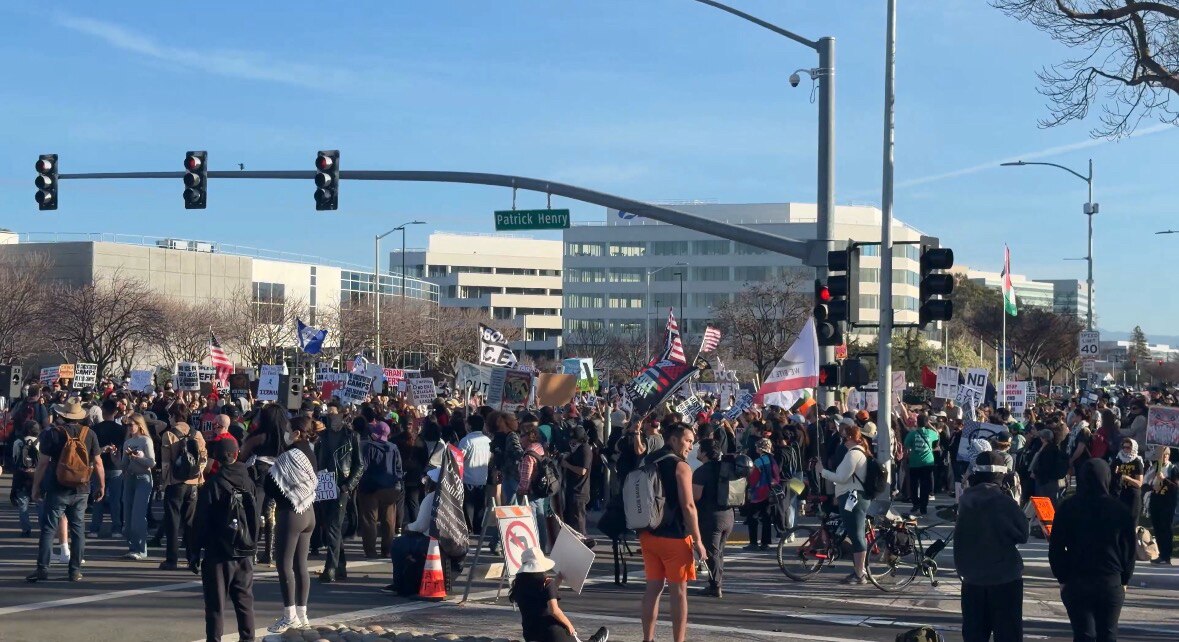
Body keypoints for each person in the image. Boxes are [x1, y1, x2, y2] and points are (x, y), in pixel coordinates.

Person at [1049, 459, 1137, 642]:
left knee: (1083, 634)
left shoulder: (1068, 507)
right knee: (1108, 633)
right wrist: (1125, 578)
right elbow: (1129, 550)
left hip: (1077, 578)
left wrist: (1062, 577)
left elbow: (1056, 546)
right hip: (1110, 578)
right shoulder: (1119, 510)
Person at [639, 423, 706, 642]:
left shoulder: (649, 460)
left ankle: (647, 639)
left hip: (648, 533)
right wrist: (697, 540)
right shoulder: (681, 467)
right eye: (687, 441)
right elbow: (688, 506)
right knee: (678, 593)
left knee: (653, 589)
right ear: (674, 440)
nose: (690, 446)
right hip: (675, 536)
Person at [27, 399, 104, 583]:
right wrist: (101, 485)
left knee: (48, 528)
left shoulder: (52, 434)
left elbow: (43, 463)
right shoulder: (90, 434)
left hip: (57, 485)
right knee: (78, 529)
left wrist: (36, 486)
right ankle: (75, 570)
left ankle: (42, 568)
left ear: (61, 415)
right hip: (82, 486)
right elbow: (98, 462)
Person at [955, 451, 1029, 642]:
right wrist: (1015, 498)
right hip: (1004, 578)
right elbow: (1022, 534)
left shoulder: (965, 501)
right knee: (1008, 634)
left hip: (972, 579)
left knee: (974, 634)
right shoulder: (1004, 502)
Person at [193, 438, 258, 642]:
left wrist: (194, 551)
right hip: (244, 549)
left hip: (218, 552)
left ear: (218, 459)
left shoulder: (214, 484)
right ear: (237, 454)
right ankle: (248, 638)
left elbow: (200, 521)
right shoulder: (248, 481)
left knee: (215, 605)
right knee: (245, 601)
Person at [265, 416, 320, 634]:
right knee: (301, 565)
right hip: (309, 512)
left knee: (284, 564)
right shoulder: (311, 453)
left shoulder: (290, 456)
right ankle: (303, 614)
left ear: (297, 432)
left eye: (289, 430)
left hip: (291, 514)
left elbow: (271, 486)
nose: (286, 433)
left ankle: (289, 616)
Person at [509, 547, 609, 642]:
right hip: (551, 633)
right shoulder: (546, 583)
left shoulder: (518, 585)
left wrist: (557, 581)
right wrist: (570, 627)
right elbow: (554, 611)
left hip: (530, 633)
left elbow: (543, 596)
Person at [314, 412, 365, 584]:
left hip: (341, 484)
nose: (334, 422)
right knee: (329, 525)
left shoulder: (352, 437)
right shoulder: (322, 438)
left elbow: (360, 464)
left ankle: (331, 568)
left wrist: (348, 485)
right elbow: (317, 460)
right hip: (324, 482)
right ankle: (340, 565)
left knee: (334, 526)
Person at [819, 423, 870, 584]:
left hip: (853, 497)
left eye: (843, 437)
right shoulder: (857, 452)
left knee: (856, 535)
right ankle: (859, 570)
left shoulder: (853, 454)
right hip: (852, 496)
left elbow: (841, 477)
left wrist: (822, 471)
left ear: (849, 438)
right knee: (855, 533)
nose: (842, 441)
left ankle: (860, 574)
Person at [160, 420, 208, 570]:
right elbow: (203, 458)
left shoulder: (169, 435)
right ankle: (192, 557)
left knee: (173, 521)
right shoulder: (197, 434)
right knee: (190, 521)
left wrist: (164, 481)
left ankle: (171, 559)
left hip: (175, 482)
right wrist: (198, 476)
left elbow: (166, 462)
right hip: (193, 483)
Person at [691, 438, 733, 598]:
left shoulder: (702, 471)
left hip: (711, 516)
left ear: (705, 453)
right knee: (718, 551)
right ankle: (715, 581)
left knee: (712, 552)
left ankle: (715, 586)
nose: (697, 451)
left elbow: (695, 496)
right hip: (728, 514)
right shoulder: (724, 468)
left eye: (699, 449)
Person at [357, 421, 404, 560]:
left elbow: (362, 467)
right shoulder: (393, 447)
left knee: (370, 520)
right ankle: (387, 550)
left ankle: (371, 551)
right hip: (390, 488)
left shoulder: (366, 447)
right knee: (389, 520)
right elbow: (399, 469)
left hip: (369, 488)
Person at [120, 414, 156, 560]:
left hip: (143, 478)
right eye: (127, 425)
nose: (129, 427)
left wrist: (139, 457)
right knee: (127, 516)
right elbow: (123, 465)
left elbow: (152, 463)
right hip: (130, 478)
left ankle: (141, 549)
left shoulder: (146, 441)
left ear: (139, 425)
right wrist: (115, 456)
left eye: (131, 424)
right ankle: (133, 547)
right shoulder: (127, 442)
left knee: (138, 516)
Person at [90, 398, 126, 538]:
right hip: (116, 467)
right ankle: (116, 528)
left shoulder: (95, 429)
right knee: (116, 500)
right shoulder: (121, 430)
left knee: (97, 498)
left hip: (99, 466)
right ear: (115, 412)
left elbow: (91, 449)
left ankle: (94, 529)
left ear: (102, 411)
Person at [744, 438, 780, 551]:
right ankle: (765, 543)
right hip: (769, 492)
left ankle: (753, 543)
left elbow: (753, 478)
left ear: (760, 448)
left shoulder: (758, 461)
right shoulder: (772, 460)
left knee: (752, 517)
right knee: (766, 518)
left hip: (758, 492)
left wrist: (749, 487)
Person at [457, 413, 491, 532]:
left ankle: (469, 528)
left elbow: (459, 458)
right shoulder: (487, 440)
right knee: (480, 505)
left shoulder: (466, 440)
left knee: (468, 505)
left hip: (468, 478)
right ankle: (478, 528)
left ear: (470, 426)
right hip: (483, 478)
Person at [1145, 446, 1178, 565]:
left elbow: (1175, 486)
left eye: (1165, 455)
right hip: (1156, 500)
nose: (1163, 457)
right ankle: (1161, 554)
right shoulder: (1155, 467)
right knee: (1157, 528)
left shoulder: (1172, 468)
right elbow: (1145, 482)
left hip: (1167, 502)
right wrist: (1152, 482)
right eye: (1161, 455)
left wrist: (1165, 480)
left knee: (1166, 528)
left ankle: (1166, 555)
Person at [560, 422, 593, 537]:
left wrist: (567, 465)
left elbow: (582, 470)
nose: (572, 442)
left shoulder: (585, 450)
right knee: (572, 520)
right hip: (573, 488)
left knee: (578, 521)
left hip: (580, 490)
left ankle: (583, 541)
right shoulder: (577, 449)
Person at [10, 420, 40, 537]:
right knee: (39, 503)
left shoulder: (18, 442)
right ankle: (44, 527)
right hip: (36, 475)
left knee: (23, 504)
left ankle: (26, 529)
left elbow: (15, 458)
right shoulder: (39, 442)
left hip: (22, 476)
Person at [904, 415, 939, 516]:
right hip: (928, 463)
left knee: (913, 485)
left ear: (917, 422)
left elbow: (907, 445)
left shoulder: (912, 434)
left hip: (914, 463)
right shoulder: (931, 433)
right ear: (927, 422)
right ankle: (923, 507)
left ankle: (916, 504)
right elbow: (937, 433)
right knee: (925, 486)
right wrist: (930, 425)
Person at [1110, 438, 1145, 525]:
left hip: (1133, 495)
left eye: (1128, 447)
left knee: (1131, 523)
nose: (1125, 449)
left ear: (1133, 448)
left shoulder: (1137, 462)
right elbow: (1110, 476)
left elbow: (1139, 483)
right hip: (1120, 493)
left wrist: (1126, 477)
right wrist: (1115, 474)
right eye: (1124, 447)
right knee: (1120, 522)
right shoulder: (1118, 460)